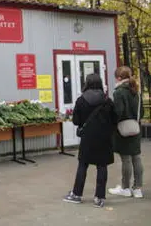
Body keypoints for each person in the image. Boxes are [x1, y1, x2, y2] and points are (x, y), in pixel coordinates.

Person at [63, 74, 117, 208]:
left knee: (83, 165)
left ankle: (76, 194)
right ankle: (99, 198)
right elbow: (115, 120)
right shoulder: (107, 101)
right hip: (104, 138)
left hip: (87, 139)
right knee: (102, 166)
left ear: (86, 83)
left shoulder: (81, 100)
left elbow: (76, 121)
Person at [108, 66, 144, 198]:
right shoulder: (136, 91)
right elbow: (142, 112)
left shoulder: (119, 92)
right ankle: (138, 188)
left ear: (118, 78)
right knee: (136, 157)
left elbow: (118, 112)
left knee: (126, 159)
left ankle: (125, 188)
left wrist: (112, 123)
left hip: (122, 130)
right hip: (135, 128)